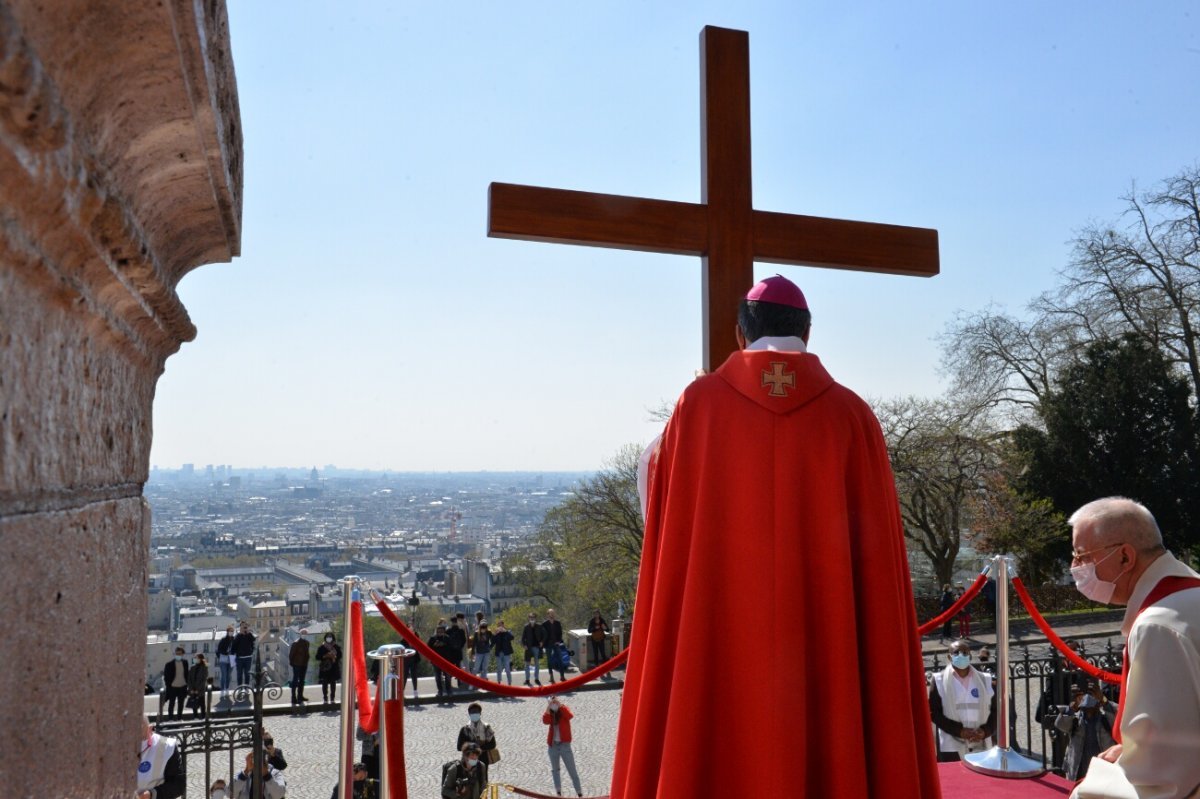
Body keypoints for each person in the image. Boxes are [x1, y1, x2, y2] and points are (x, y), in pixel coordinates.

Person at [613, 275, 940, 798]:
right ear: (807, 333)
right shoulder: (853, 415)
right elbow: (875, 561)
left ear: (741, 335)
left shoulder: (698, 405)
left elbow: (662, 500)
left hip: (718, 631)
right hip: (823, 636)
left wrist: (682, 425)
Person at [1066, 497, 1200, 799]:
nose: (1075, 568)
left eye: (1082, 555)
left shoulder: (1157, 625)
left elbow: (1162, 780)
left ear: (1125, 557)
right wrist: (1133, 750)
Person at [929, 639, 997, 761]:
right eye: (956, 653)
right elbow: (934, 713)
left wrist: (985, 731)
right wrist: (959, 731)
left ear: (970, 656)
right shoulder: (938, 680)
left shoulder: (985, 680)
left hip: (980, 742)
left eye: (965, 653)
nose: (961, 655)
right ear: (949, 657)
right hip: (951, 745)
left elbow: (996, 710)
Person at [1056, 681, 1118, 781]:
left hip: (1103, 772)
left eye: (1091, 708)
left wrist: (1103, 700)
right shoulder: (1076, 717)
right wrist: (1072, 707)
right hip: (1078, 772)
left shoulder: (1105, 717)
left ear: (1097, 705)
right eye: (1085, 708)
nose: (1088, 711)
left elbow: (1119, 718)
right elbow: (1060, 725)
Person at [543, 696, 583, 798]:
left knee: (572, 770)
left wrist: (560, 705)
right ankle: (558, 792)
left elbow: (570, 716)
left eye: (554, 702)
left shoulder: (563, 709)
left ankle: (579, 793)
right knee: (555, 770)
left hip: (565, 745)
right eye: (552, 703)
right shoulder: (550, 713)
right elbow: (545, 720)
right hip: (553, 745)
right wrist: (548, 707)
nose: (553, 704)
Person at [136, 716, 184, 799]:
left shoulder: (167, 747)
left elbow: (178, 785)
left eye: (140, 738)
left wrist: (150, 794)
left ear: (150, 729)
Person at [456, 702, 499, 781]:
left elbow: (493, 744)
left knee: (482, 780)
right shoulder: (465, 729)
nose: (474, 714)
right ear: (469, 713)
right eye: (473, 712)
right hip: (468, 759)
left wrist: (480, 748)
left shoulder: (486, 728)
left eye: (476, 712)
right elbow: (459, 746)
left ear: (480, 713)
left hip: (483, 759)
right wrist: (471, 748)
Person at [428, 621, 457, 698]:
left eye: (441, 631)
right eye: (438, 631)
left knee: (448, 677)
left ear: (444, 631)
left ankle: (449, 690)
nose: (440, 632)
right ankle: (440, 691)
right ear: (436, 631)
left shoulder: (447, 638)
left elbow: (451, 648)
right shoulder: (432, 639)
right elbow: (428, 649)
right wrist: (435, 645)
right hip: (436, 661)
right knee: (438, 677)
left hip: (446, 661)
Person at [162, 646, 189, 720]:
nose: (178, 655)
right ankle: (170, 719)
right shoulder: (169, 664)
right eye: (176, 654)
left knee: (181, 704)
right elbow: (166, 677)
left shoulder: (185, 663)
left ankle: (179, 718)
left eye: (179, 654)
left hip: (182, 686)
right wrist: (169, 686)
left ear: (182, 654)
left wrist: (187, 685)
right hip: (173, 687)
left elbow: (186, 674)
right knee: (171, 704)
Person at [316, 632, 342, 704]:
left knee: (333, 684)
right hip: (325, 668)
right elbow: (317, 657)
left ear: (333, 638)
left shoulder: (336, 647)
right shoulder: (322, 647)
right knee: (324, 684)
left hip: (334, 668)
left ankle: (332, 698)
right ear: (325, 638)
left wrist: (334, 656)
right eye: (328, 637)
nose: (329, 638)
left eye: (330, 637)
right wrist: (325, 656)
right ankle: (325, 698)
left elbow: (340, 656)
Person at [522, 612, 546, 687]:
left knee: (537, 664)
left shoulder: (539, 626)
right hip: (528, 648)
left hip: (536, 647)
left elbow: (545, 635)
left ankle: (536, 678)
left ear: (535, 618)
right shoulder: (526, 627)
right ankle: (527, 679)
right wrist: (524, 645)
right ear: (528, 618)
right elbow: (523, 638)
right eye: (530, 618)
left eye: (533, 618)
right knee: (527, 664)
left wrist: (542, 642)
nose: (532, 619)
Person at [542, 609, 565, 683]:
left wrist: (559, 641)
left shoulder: (557, 623)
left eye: (553, 613)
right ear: (548, 614)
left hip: (556, 643)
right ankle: (551, 677)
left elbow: (560, 633)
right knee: (549, 661)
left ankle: (562, 676)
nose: (552, 615)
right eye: (550, 613)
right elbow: (542, 635)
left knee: (560, 660)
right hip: (548, 645)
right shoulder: (544, 624)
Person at [447, 614, 468, 690]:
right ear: (457, 622)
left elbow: (446, 641)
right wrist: (460, 647)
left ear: (451, 622)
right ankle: (459, 682)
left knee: (450, 668)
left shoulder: (448, 631)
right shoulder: (461, 631)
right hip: (458, 652)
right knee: (458, 667)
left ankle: (449, 683)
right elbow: (464, 640)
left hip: (451, 652)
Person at [232, 622, 256, 688]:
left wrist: (248, 633)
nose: (244, 629)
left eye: (245, 627)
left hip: (248, 657)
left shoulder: (249, 635)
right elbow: (234, 644)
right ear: (240, 628)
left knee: (247, 674)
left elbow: (254, 640)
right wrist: (240, 634)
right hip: (239, 658)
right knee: (239, 674)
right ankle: (239, 688)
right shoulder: (238, 636)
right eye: (243, 627)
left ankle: (246, 688)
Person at [288, 634, 310, 706]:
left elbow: (307, 654)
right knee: (295, 680)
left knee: (302, 681)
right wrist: (292, 663)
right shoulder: (296, 643)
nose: (304, 635)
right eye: (303, 633)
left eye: (305, 633)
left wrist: (306, 662)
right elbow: (291, 654)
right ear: (300, 634)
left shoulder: (307, 643)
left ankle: (300, 696)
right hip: (296, 664)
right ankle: (293, 698)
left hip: (304, 664)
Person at [492, 619, 515, 685]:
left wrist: (506, 631)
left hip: (506, 653)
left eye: (501, 625)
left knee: (507, 668)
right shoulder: (496, 633)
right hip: (499, 653)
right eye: (498, 625)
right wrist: (495, 634)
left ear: (503, 625)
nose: (500, 626)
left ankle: (509, 682)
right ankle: (499, 682)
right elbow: (493, 641)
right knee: (499, 668)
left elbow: (512, 637)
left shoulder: (508, 632)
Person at [187, 653, 209, 718]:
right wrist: (191, 689)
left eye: (197, 658)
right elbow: (189, 679)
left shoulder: (204, 668)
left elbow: (203, 680)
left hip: (200, 689)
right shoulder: (192, 667)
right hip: (192, 690)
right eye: (195, 658)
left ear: (201, 659)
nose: (195, 659)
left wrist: (197, 689)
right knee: (194, 703)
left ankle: (203, 716)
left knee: (202, 704)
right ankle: (195, 716)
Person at [216, 625, 236, 697]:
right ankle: (222, 690)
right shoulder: (223, 639)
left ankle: (227, 689)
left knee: (228, 676)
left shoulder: (234, 639)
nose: (231, 632)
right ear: (227, 632)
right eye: (230, 631)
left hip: (232, 659)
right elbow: (219, 650)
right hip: (223, 659)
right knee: (223, 675)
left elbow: (236, 649)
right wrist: (224, 654)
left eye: (232, 631)